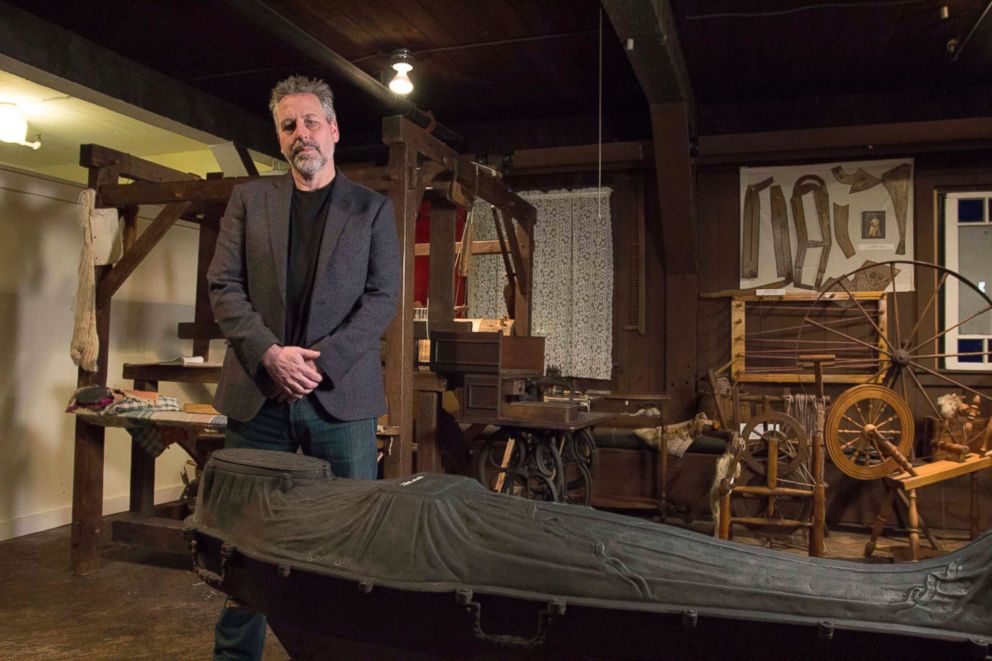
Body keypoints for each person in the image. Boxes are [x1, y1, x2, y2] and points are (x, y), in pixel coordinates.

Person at [206, 74, 401, 660]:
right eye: (288, 125)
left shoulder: (372, 210)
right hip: (258, 396)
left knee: (347, 543)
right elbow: (224, 286)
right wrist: (269, 353)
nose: (300, 134)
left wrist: (317, 364)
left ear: (334, 130)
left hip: (337, 400)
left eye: (311, 122)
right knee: (241, 545)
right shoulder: (249, 200)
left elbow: (383, 298)